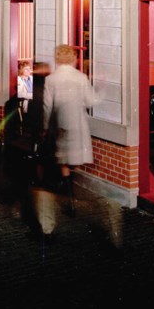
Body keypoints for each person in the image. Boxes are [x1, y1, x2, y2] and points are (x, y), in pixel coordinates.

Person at [42, 44, 98, 215]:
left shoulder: (51, 79)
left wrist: (45, 127)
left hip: (60, 122)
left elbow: (47, 106)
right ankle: (71, 191)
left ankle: (69, 196)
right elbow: (90, 101)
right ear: (74, 58)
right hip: (77, 123)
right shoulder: (81, 77)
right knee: (74, 157)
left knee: (64, 159)